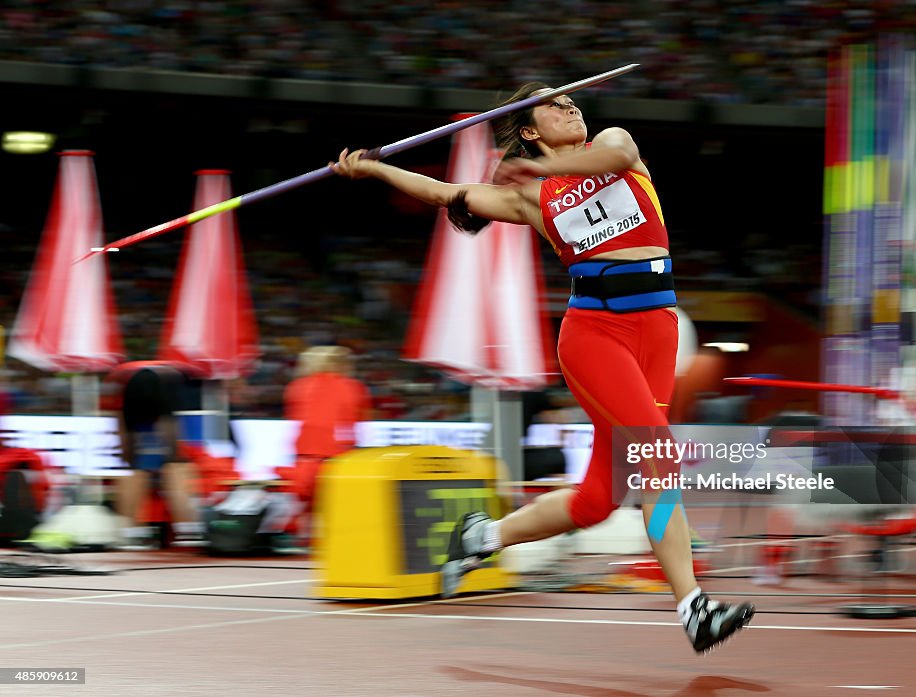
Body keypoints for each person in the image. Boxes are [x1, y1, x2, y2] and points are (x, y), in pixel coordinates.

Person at [330, 83, 754, 654]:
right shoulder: (534, 198)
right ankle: (693, 608)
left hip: (657, 331)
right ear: (529, 129)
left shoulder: (614, 143)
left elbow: (613, 159)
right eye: (553, 105)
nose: (569, 106)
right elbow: (446, 193)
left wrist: (528, 168)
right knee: (657, 452)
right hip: (596, 336)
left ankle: (482, 536)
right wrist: (378, 171)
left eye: (569, 100)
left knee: (597, 502)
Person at [111, 362, 201, 547]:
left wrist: (130, 459)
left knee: (135, 472)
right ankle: (188, 531)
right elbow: (170, 429)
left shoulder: (128, 409)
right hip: (159, 449)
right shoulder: (168, 402)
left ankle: (131, 532)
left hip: (142, 449)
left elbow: (125, 438)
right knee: (175, 471)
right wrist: (175, 456)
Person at [282, 345, 373, 504]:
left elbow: (294, 416)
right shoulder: (352, 386)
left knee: (306, 508)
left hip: (305, 458)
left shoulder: (298, 386)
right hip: (337, 458)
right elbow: (361, 420)